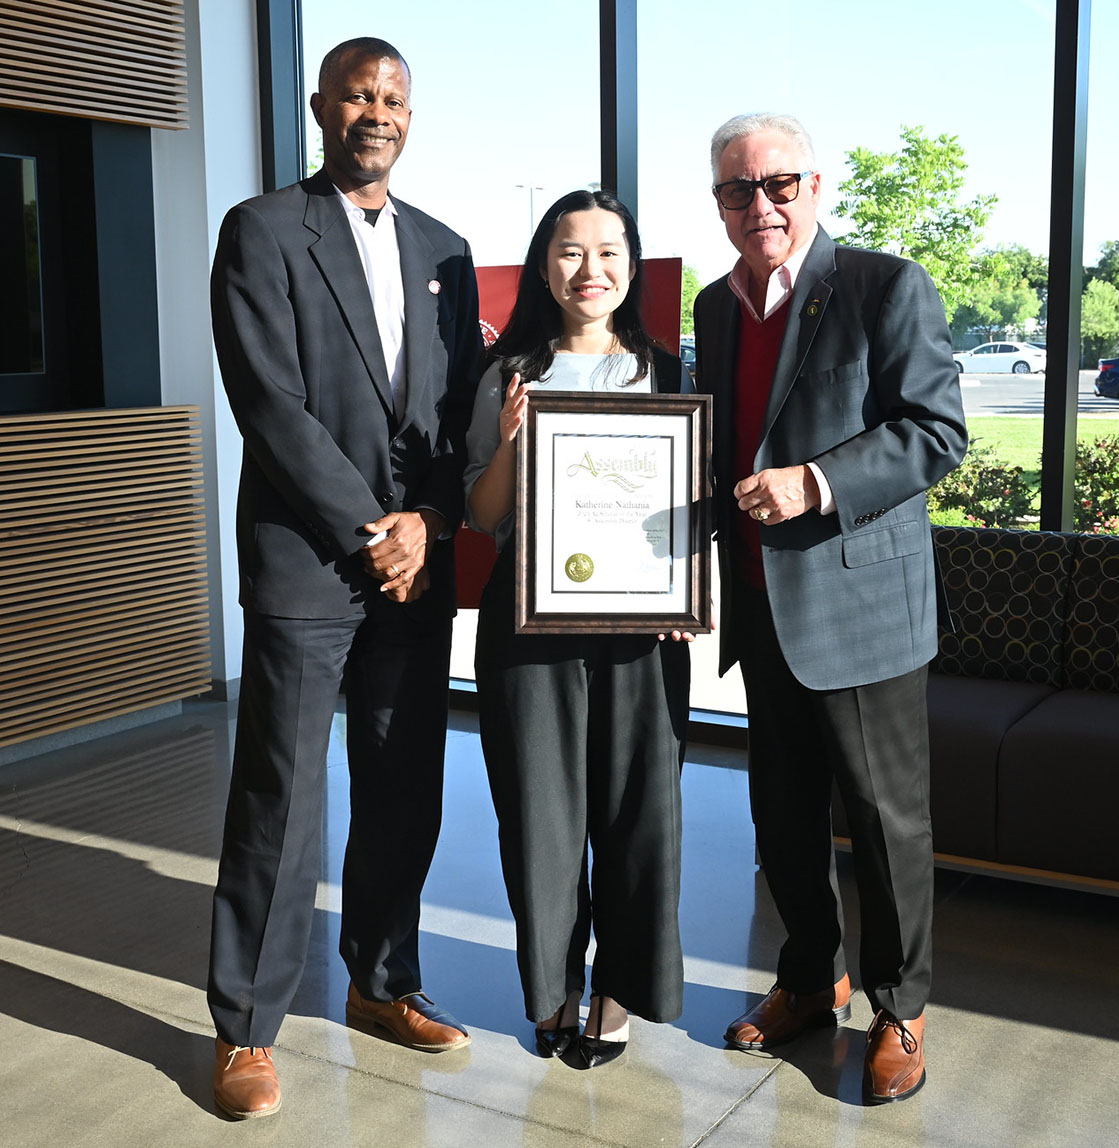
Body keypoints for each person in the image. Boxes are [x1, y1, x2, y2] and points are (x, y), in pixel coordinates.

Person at [207, 37, 481, 1118]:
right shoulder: (264, 228)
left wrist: (434, 520)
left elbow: (454, 415)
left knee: (404, 779)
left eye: (395, 97)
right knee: (282, 797)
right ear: (323, 107)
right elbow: (269, 404)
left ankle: (382, 981)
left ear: (411, 114)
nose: (378, 111)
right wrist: (376, 528)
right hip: (309, 561)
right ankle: (244, 1028)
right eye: (360, 94)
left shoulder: (446, 249)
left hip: (416, 567)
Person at [693, 114, 967, 1104]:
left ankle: (900, 1003)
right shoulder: (714, 307)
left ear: (815, 186)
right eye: (735, 189)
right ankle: (811, 977)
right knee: (781, 812)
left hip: (861, 608)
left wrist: (815, 481)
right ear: (716, 201)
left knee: (884, 817)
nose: (757, 203)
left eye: (777, 183)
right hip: (762, 604)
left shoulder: (882, 286)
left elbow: (936, 431)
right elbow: (720, 447)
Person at [465, 190, 693, 1068]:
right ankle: (553, 987)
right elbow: (484, 518)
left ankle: (621, 989)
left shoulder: (669, 372)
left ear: (631, 265)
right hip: (530, 630)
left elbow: (693, 509)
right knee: (540, 815)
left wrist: (685, 590)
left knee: (640, 814)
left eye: (608, 251)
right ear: (542, 265)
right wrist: (517, 442)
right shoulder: (509, 374)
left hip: (642, 632)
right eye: (569, 252)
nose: (589, 270)